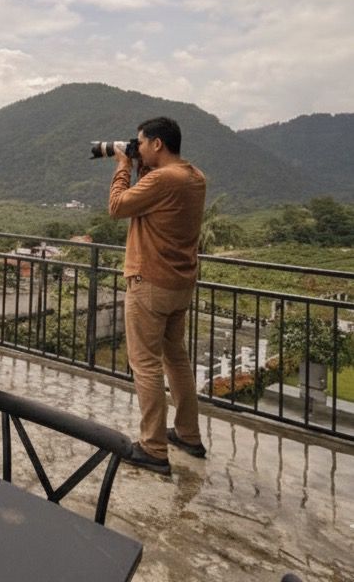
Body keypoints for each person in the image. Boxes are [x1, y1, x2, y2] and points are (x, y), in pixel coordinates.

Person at [108, 116, 207, 475]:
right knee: (175, 359)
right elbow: (149, 201)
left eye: (141, 143)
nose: (138, 149)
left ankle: (153, 448)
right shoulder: (194, 176)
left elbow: (118, 206)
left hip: (149, 281)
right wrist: (137, 166)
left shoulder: (164, 178)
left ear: (157, 144)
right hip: (180, 284)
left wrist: (122, 167)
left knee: (145, 363)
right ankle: (188, 434)